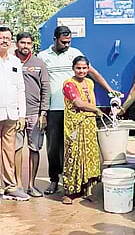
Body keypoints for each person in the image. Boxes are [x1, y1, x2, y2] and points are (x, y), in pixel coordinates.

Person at [38, 26, 118, 195]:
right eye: (63, 42)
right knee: (54, 146)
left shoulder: (75, 53)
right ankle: (54, 179)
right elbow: (40, 84)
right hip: (55, 108)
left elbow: (93, 73)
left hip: (75, 111)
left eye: (69, 42)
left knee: (75, 146)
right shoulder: (43, 57)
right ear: (55, 39)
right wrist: (42, 111)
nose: (67, 45)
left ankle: (77, 180)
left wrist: (109, 90)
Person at [0, 27, 29, 201]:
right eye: (1, 38)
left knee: (10, 152)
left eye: (7, 38)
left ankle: (11, 186)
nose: (4, 41)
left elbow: (20, 89)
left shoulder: (15, 62)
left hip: (12, 114)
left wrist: (22, 114)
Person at [62, 56, 102, 204]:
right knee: (74, 155)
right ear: (73, 68)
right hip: (75, 125)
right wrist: (96, 110)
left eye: (84, 68)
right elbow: (78, 103)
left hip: (89, 124)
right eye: (78, 68)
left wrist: (93, 111)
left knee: (89, 155)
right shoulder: (68, 84)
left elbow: (89, 100)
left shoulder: (90, 83)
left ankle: (87, 190)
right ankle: (69, 193)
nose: (82, 71)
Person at [14, 32, 50, 197]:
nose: (25, 46)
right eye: (22, 42)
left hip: (35, 113)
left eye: (29, 43)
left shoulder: (39, 64)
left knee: (34, 149)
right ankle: (18, 185)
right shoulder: (10, 62)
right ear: (17, 44)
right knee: (17, 149)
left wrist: (44, 112)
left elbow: (45, 88)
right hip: (15, 114)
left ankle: (31, 185)